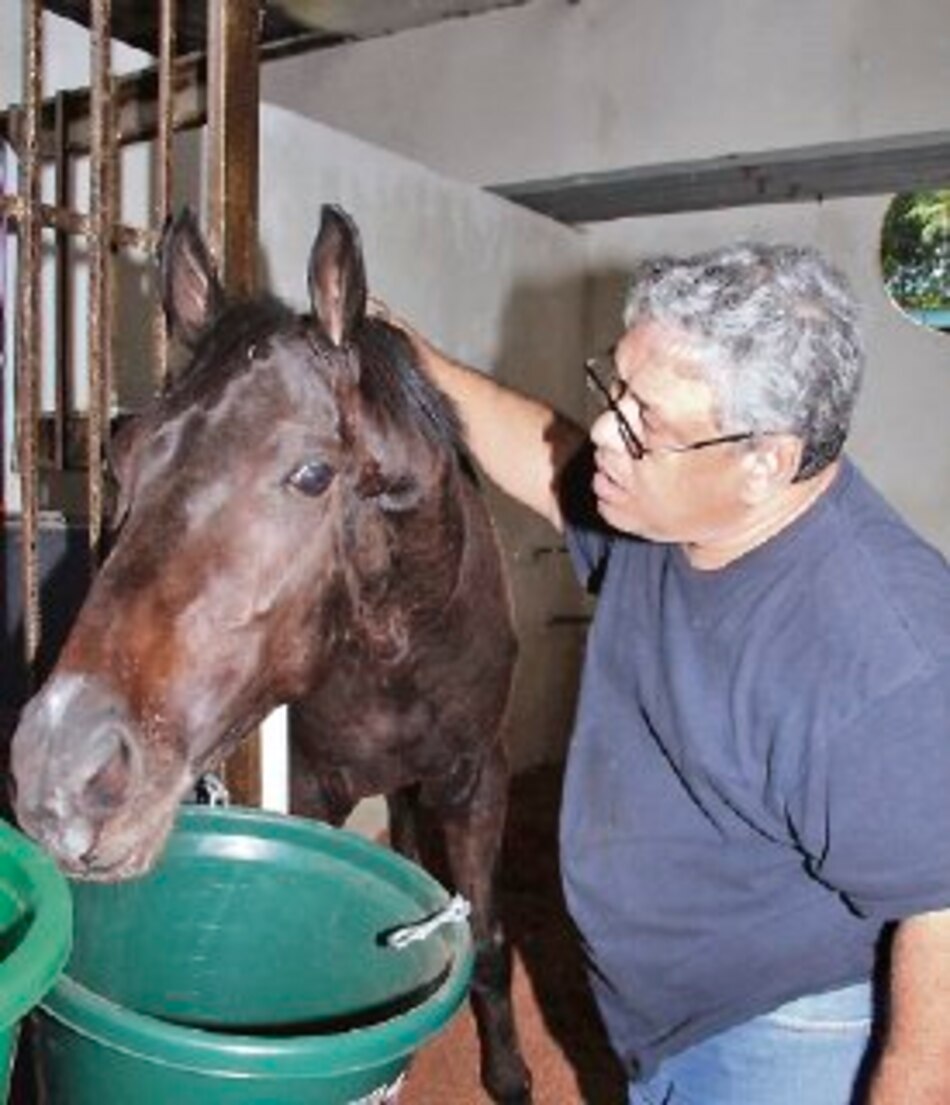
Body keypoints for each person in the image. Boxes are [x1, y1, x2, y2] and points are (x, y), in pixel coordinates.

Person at [384, 241, 950, 1105]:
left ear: (767, 460)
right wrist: (414, 359)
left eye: (647, 418)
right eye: (615, 387)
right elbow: (548, 459)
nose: (609, 430)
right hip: (662, 1020)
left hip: (790, 1044)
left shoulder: (883, 657)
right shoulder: (664, 501)